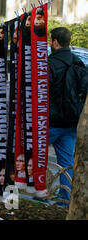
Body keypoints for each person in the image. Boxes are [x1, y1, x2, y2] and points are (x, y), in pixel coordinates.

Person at [48, 27, 85, 203]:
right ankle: (65, 197)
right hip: (71, 122)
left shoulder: (49, 63)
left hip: (50, 122)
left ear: (55, 42)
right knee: (66, 161)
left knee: (34, 157)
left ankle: (40, 193)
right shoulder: (78, 62)